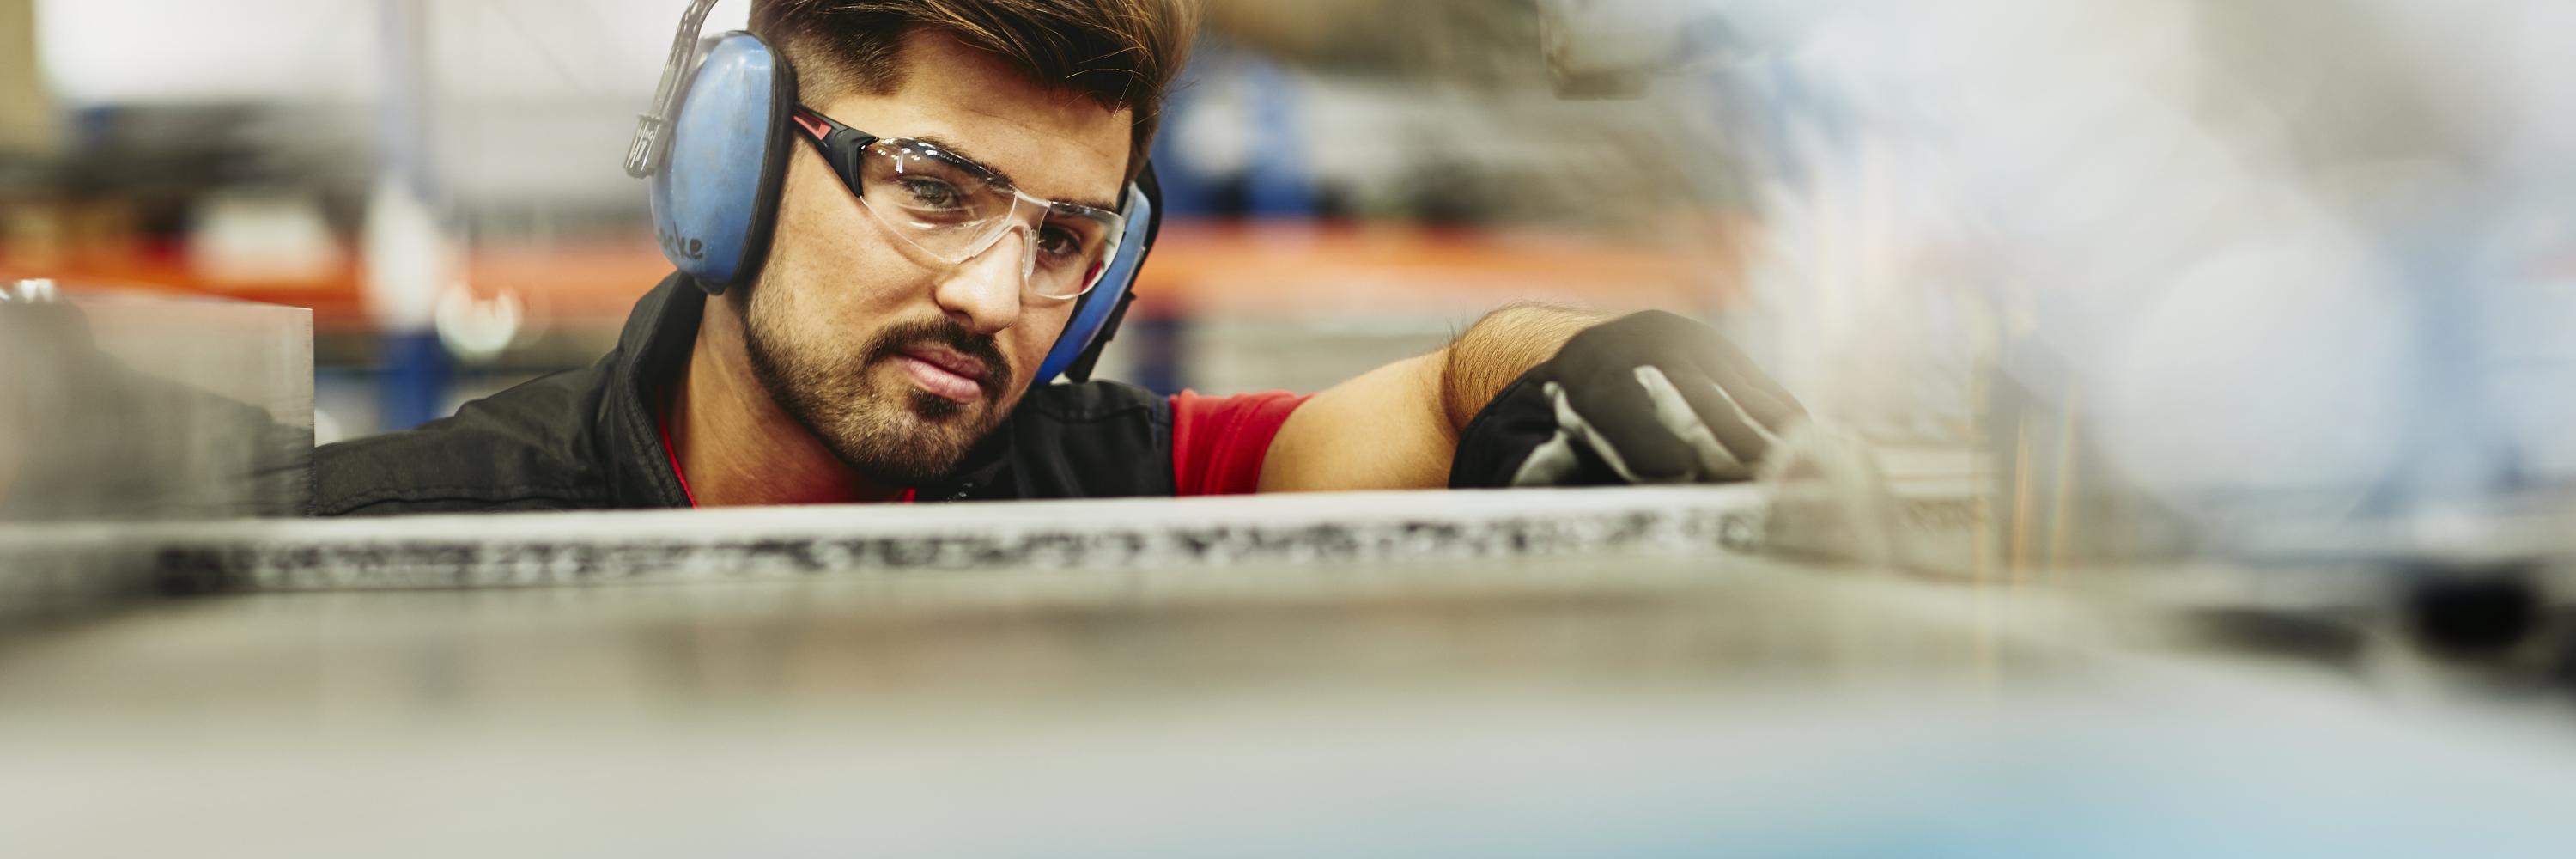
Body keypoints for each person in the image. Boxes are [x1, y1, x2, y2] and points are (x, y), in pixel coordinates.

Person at [312, 0, 1804, 516]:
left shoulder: (1094, 487)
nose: (992, 297)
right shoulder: (384, 553)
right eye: (936, 186)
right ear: (736, 150)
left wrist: (1578, 364)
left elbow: (1442, 400)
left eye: (1067, 237)